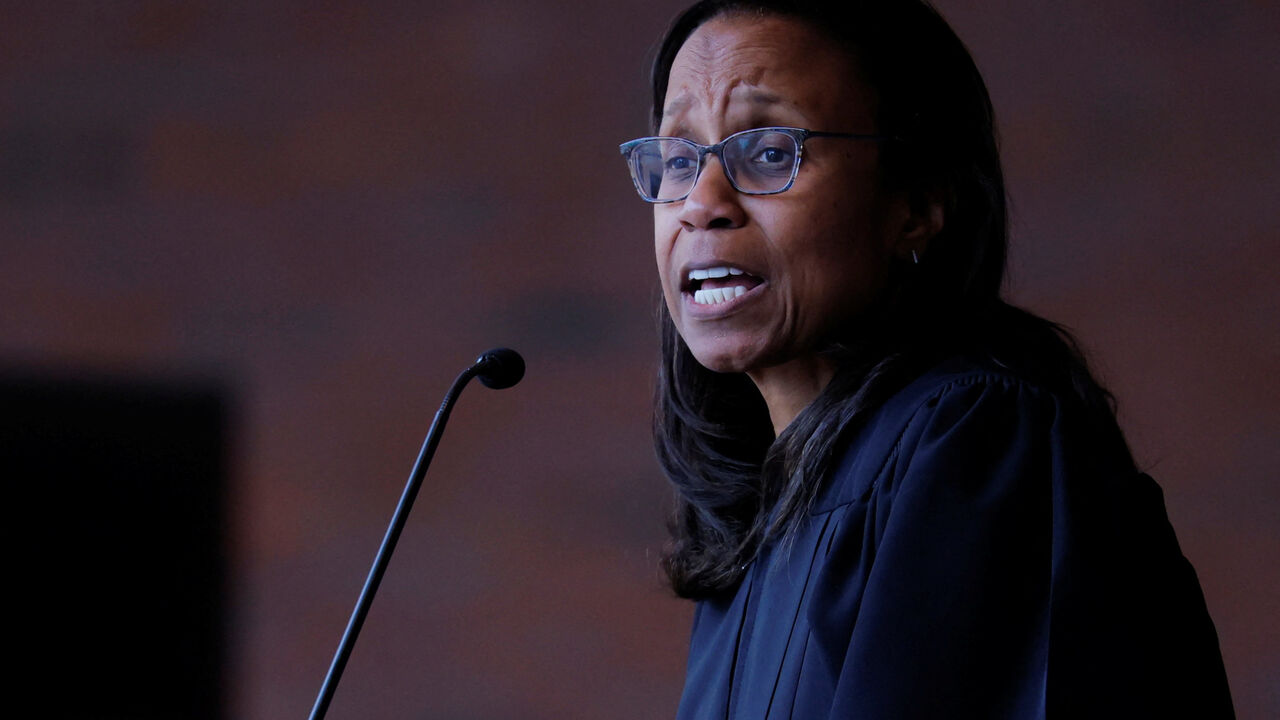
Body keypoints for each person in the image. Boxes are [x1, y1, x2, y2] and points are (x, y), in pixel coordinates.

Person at [617, 1, 1234, 717]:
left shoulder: (978, 444)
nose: (702, 203)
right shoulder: (757, 523)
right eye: (679, 159)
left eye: (770, 152)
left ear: (915, 200)